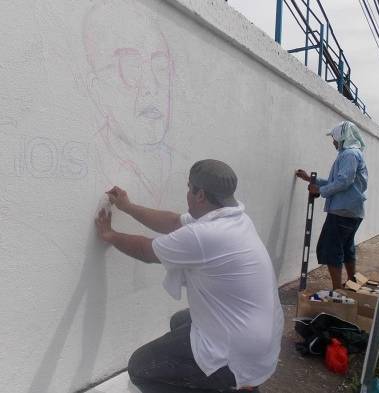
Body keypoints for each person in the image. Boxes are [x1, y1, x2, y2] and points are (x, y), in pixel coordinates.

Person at [95, 159, 284, 393]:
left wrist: (109, 235)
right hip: (259, 344)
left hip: (240, 357)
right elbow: (174, 222)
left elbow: (146, 250)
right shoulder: (235, 218)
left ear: (200, 195)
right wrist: (128, 206)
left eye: (188, 188)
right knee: (180, 321)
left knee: (141, 368)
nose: (187, 194)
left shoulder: (207, 234)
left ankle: (229, 386)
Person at [83, 0, 174, 206]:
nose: (151, 86)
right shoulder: (89, 159)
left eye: (161, 67)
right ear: (97, 89)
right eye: (131, 67)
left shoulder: (177, 167)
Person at [296, 121, 368, 290]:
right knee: (346, 248)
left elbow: (343, 181)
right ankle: (352, 284)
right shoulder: (352, 153)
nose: (333, 142)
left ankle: (338, 291)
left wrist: (320, 190)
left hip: (343, 211)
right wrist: (311, 180)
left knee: (330, 249)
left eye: (334, 138)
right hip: (352, 211)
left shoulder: (349, 154)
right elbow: (338, 181)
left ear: (343, 137)